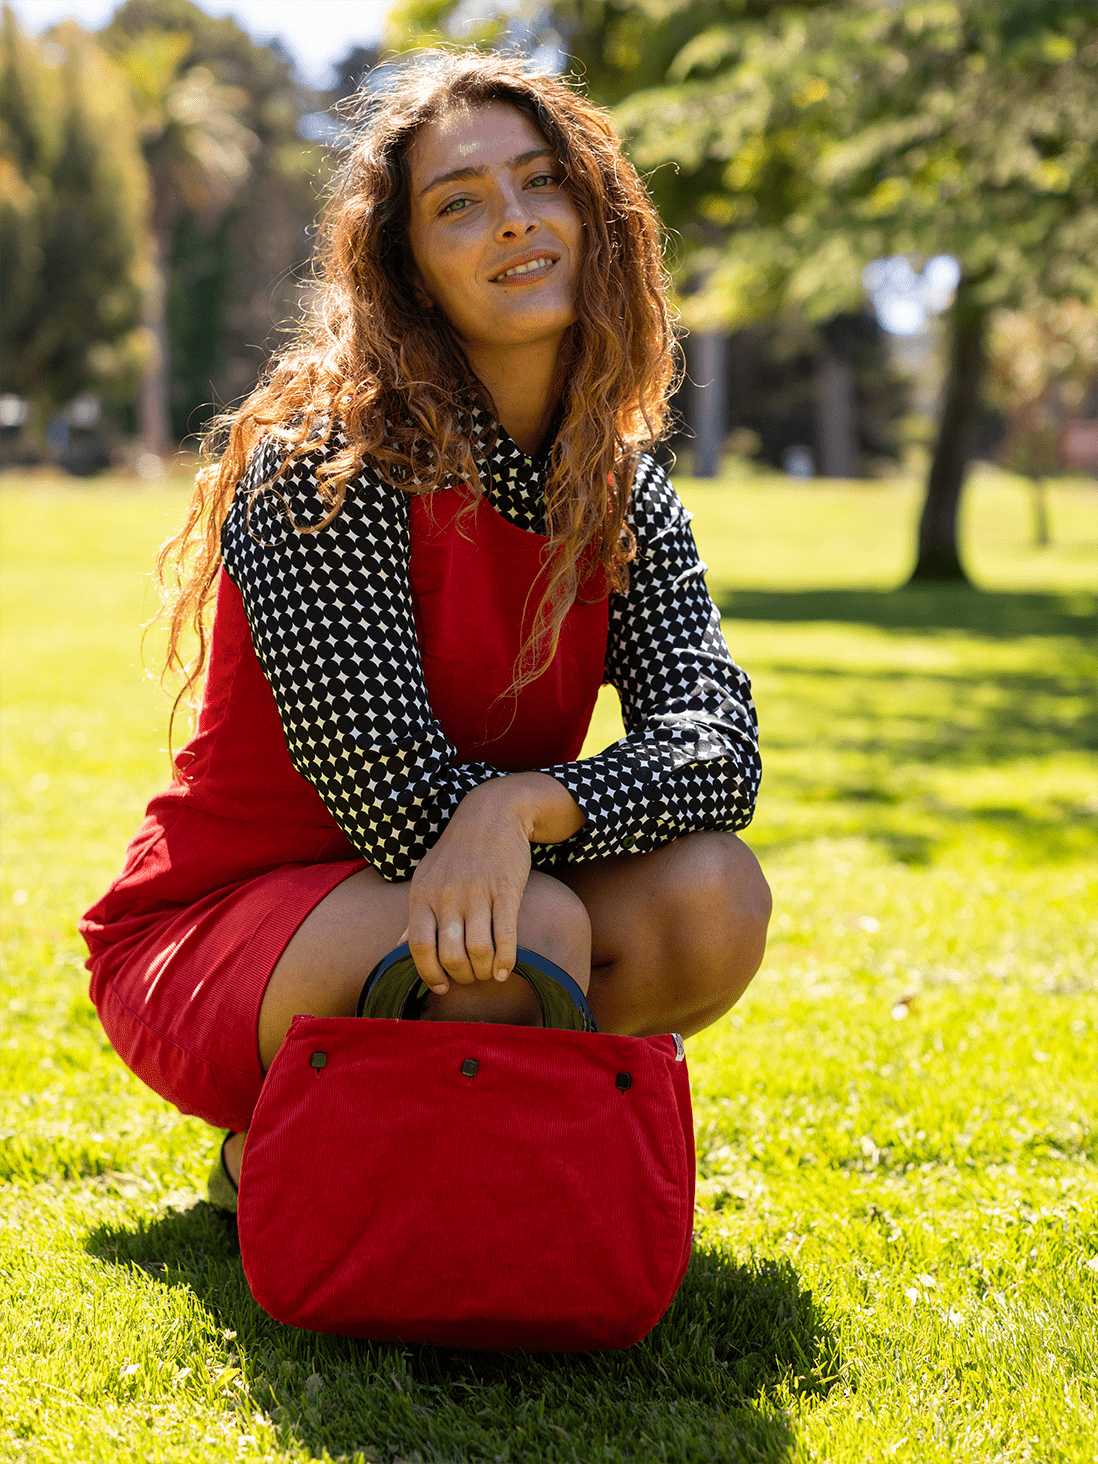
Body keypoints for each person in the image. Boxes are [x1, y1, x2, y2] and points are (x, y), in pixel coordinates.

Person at [79, 50, 771, 1205]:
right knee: (531, 924)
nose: (511, 220)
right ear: (406, 266)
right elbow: (395, 803)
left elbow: (716, 743)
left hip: (475, 892)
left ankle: (436, 1135)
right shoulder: (323, 463)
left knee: (714, 897)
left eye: (541, 182)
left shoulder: (623, 491)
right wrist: (516, 833)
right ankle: (291, 1149)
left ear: (597, 216)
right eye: (460, 204)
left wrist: (526, 803)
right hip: (228, 930)